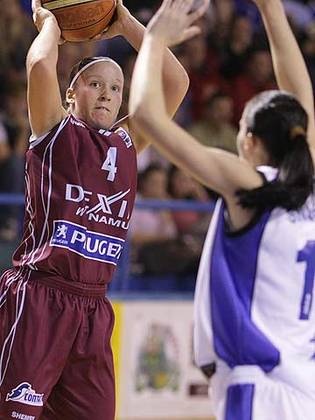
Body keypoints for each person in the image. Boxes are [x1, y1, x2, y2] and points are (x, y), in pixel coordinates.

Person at [0, 0, 189, 418]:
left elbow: (176, 80)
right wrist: (49, 24)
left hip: (93, 310)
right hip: (39, 299)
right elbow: (38, 67)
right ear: (70, 94)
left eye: (116, 88)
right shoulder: (53, 127)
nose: (107, 93)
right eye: (94, 84)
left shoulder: (127, 143)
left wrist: (124, 23)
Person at [129, 0, 315, 418]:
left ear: (247, 141)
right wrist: (271, 10)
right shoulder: (308, 188)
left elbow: (145, 115)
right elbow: (301, 99)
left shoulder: (248, 184)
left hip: (257, 385)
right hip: (305, 387)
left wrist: (156, 38)